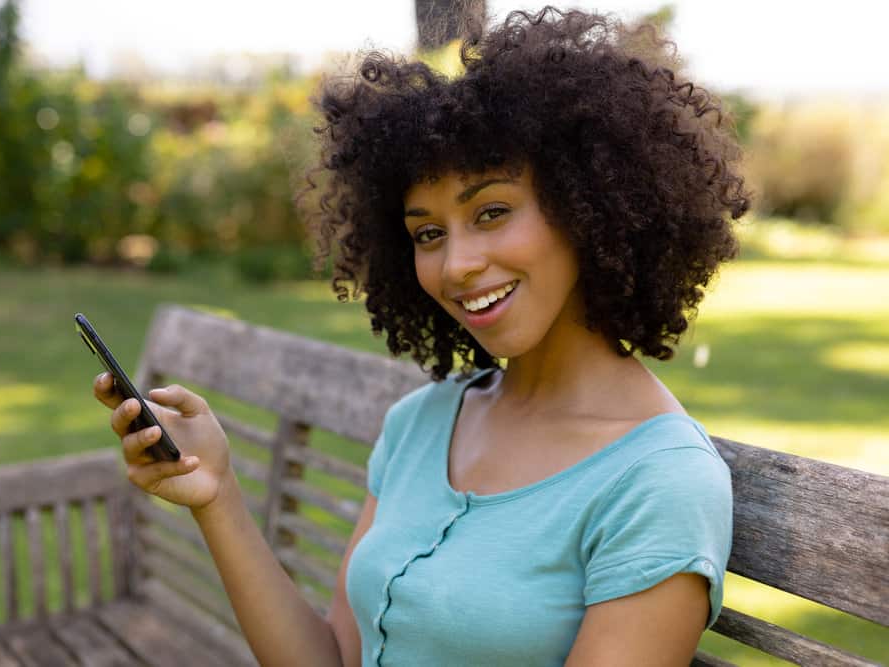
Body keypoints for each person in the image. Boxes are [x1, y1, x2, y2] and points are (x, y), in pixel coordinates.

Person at [93, 6, 749, 666]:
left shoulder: (657, 481)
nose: (457, 263)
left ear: (590, 207)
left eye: (491, 212)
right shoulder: (424, 421)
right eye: (427, 233)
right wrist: (217, 492)